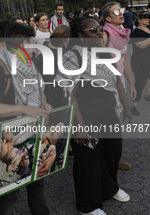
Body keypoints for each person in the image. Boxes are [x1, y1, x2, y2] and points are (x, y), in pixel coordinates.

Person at [56, 17, 132, 215]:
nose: (99, 33)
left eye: (99, 29)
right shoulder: (72, 57)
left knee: (112, 152)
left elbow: (116, 80)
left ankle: (110, 189)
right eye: (94, 30)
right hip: (85, 112)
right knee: (88, 159)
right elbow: (69, 94)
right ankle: (88, 205)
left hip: (108, 109)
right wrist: (79, 125)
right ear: (80, 36)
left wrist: (126, 106)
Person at [0, 22, 51, 214]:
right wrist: (25, 108)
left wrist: (44, 104)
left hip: (34, 132)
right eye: (31, 43)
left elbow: (39, 91)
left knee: (37, 183)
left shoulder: (29, 65)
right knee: (9, 193)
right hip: (9, 137)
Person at [100, 2, 136, 171]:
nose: (121, 13)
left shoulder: (121, 32)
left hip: (120, 84)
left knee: (117, 123)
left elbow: (125, 58)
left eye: (121, 10)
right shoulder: (106, 34)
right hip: (109, 87)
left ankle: (114, 157)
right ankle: (110, 159)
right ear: (108, 18)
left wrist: (131, 83)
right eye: (116, 11)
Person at [130, 11, 150, 115]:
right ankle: (134, 106)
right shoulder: (136, 32)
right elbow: (141, 45)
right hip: (139, 62)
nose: (148, 20)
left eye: (149, 18)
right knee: (139, 84)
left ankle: (148, 95)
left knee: (146, 79)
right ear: (139, 19)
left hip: (148, 60)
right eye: (146, 18)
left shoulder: (149, 29)